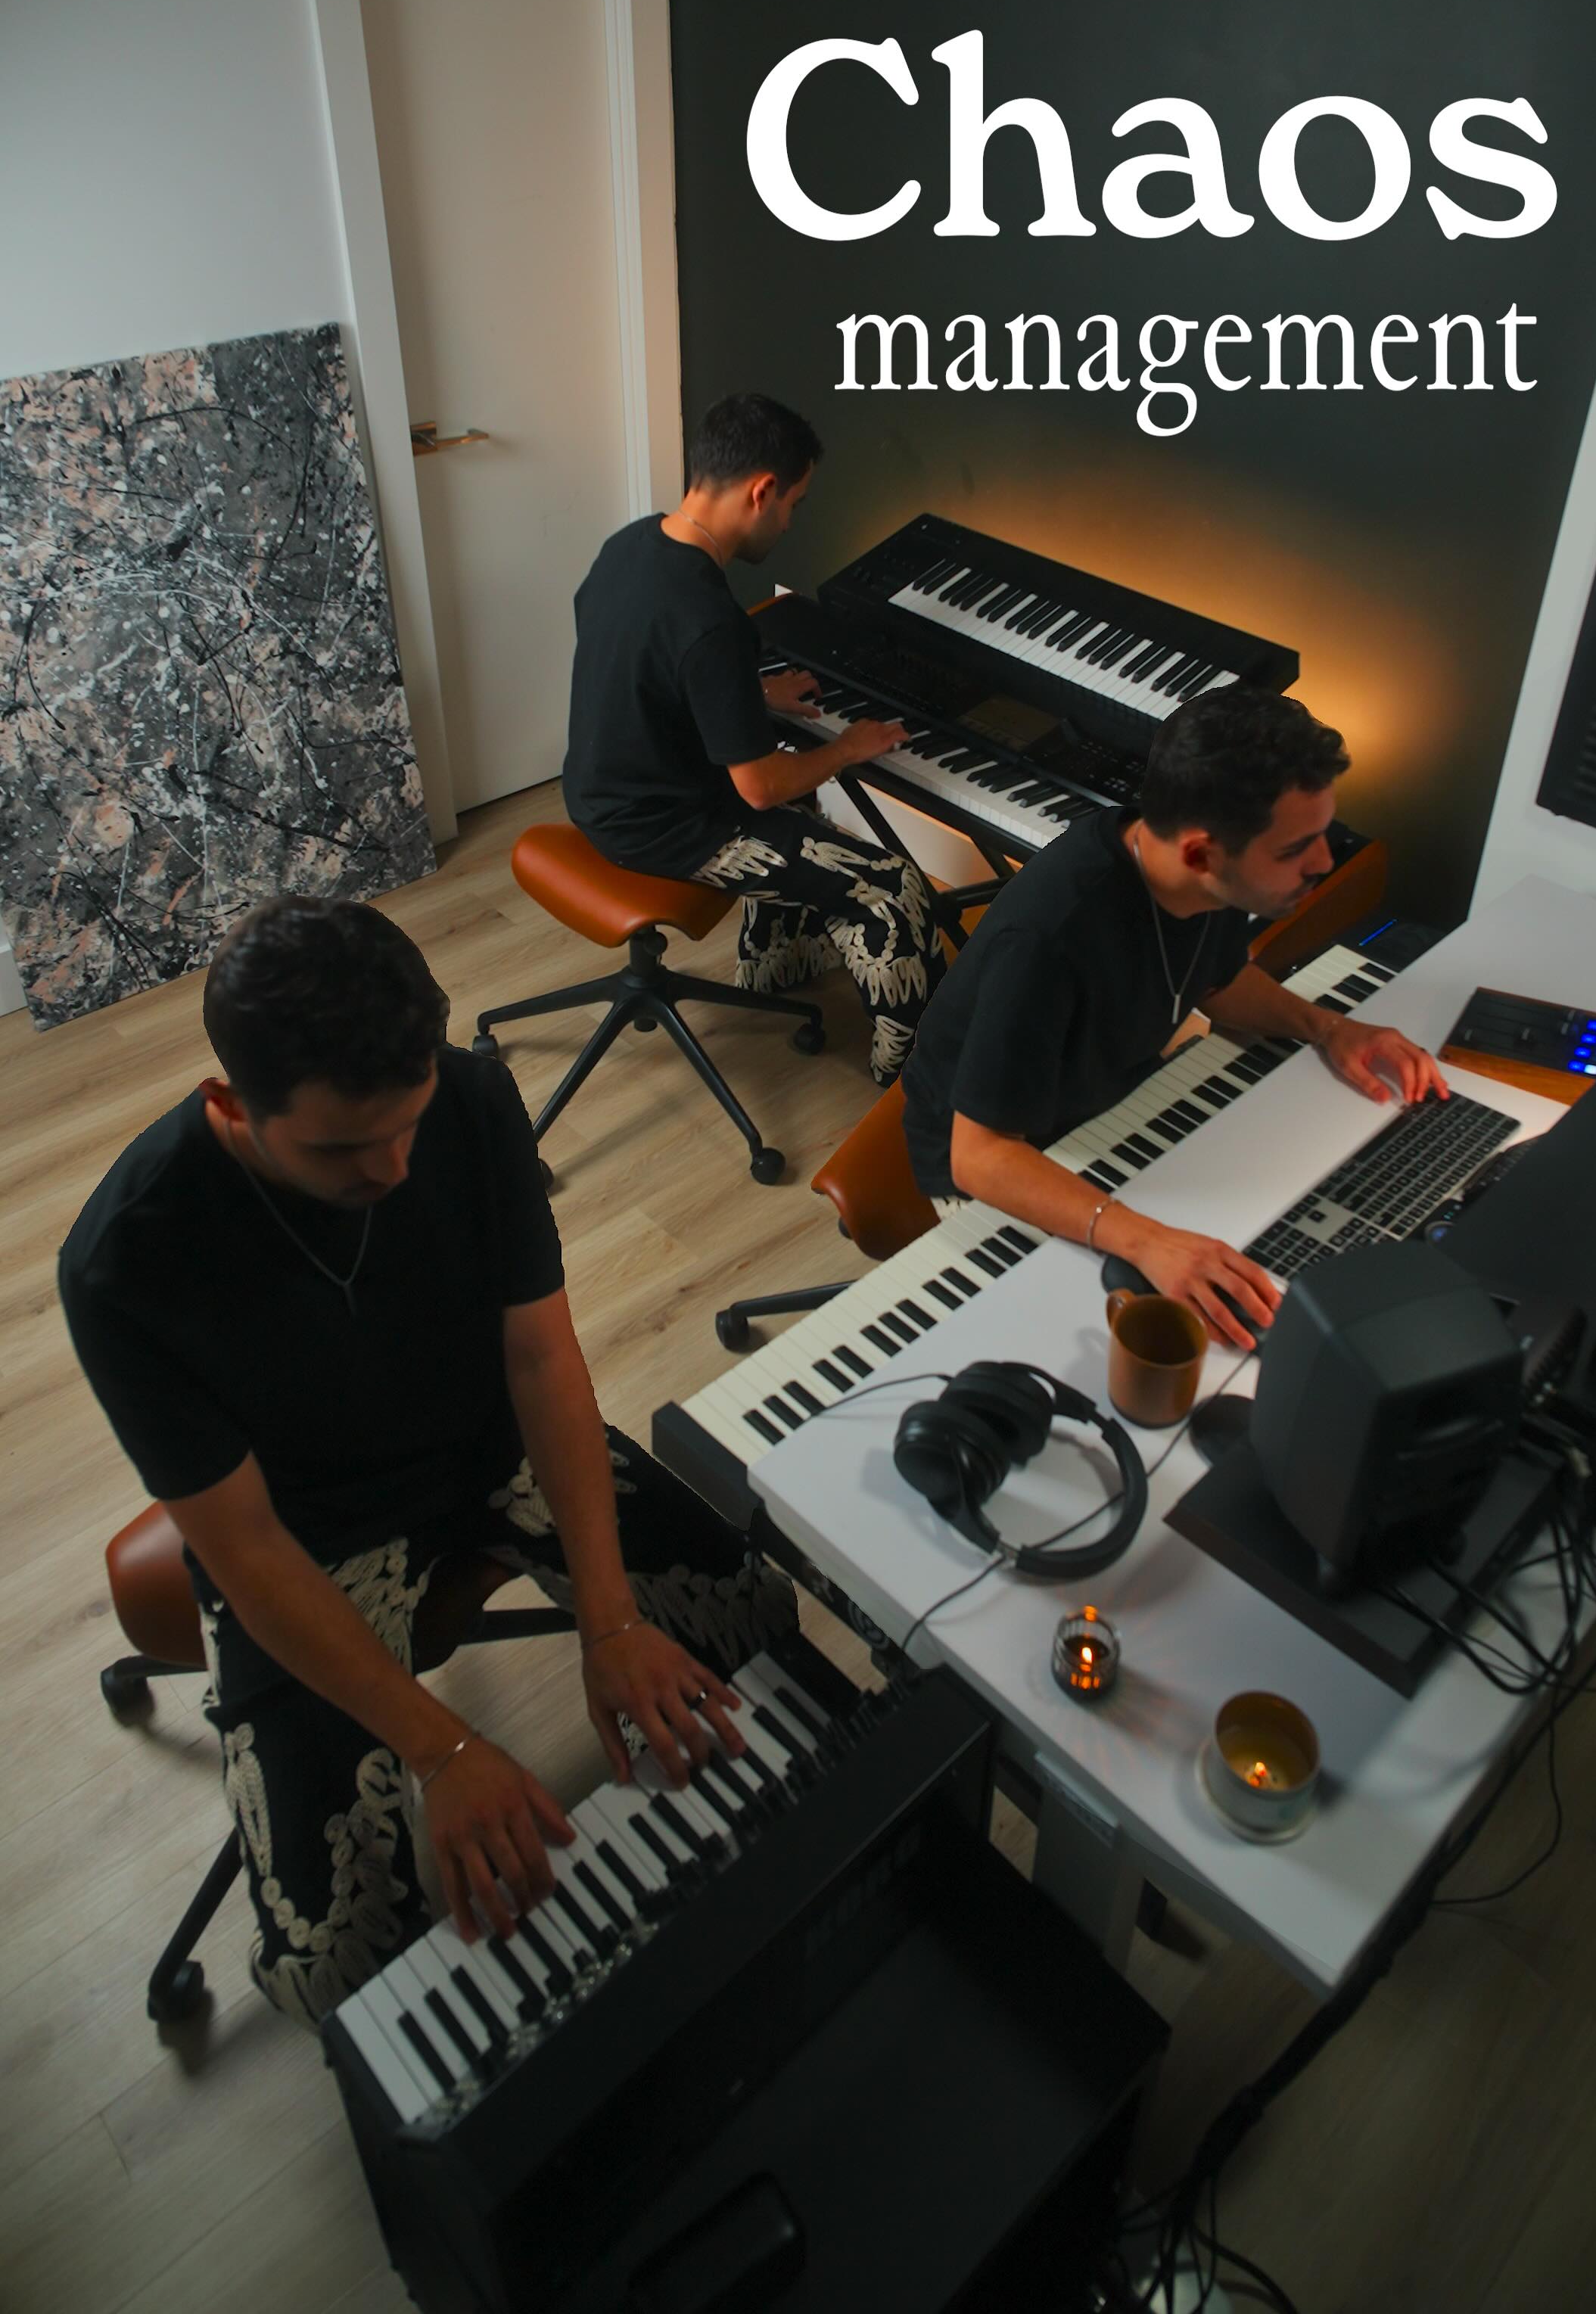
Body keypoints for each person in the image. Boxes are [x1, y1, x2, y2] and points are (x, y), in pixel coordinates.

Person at [60, 897, 795, 2027]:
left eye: (407, 1125)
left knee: (758, 1624)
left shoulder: (476, 1097)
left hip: (486, 1452)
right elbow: (247, 1552)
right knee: (338, 1961)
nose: (394, 1168)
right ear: (229, 1105)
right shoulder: (126, 1260)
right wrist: (444, 1751)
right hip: (307, 1535)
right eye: (341, 1149)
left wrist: (609, 1624)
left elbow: (541, 1360)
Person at [900, 686, 1448, 1349]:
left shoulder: (1196, 876)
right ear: (1200, 855)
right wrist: (1146, 1240)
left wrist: (1329, 1028)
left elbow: (1217, 982)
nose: (1324, 863)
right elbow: (979, 1158)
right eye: (1295, 850)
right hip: (1000, 1159)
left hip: (1102, 1110)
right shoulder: (1048, 941)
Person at [563, 393, 938, 1085]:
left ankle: (776, 970)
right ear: (762, 491)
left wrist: (750, 696)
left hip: (598, 793)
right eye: (794, 502)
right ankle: (913, 1078)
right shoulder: (710, 618)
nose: (791, 520)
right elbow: (760, 788)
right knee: (894, 888)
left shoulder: (630, 546)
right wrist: (847, 748)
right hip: (664, 829)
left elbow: (646, 667)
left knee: (806, 810)